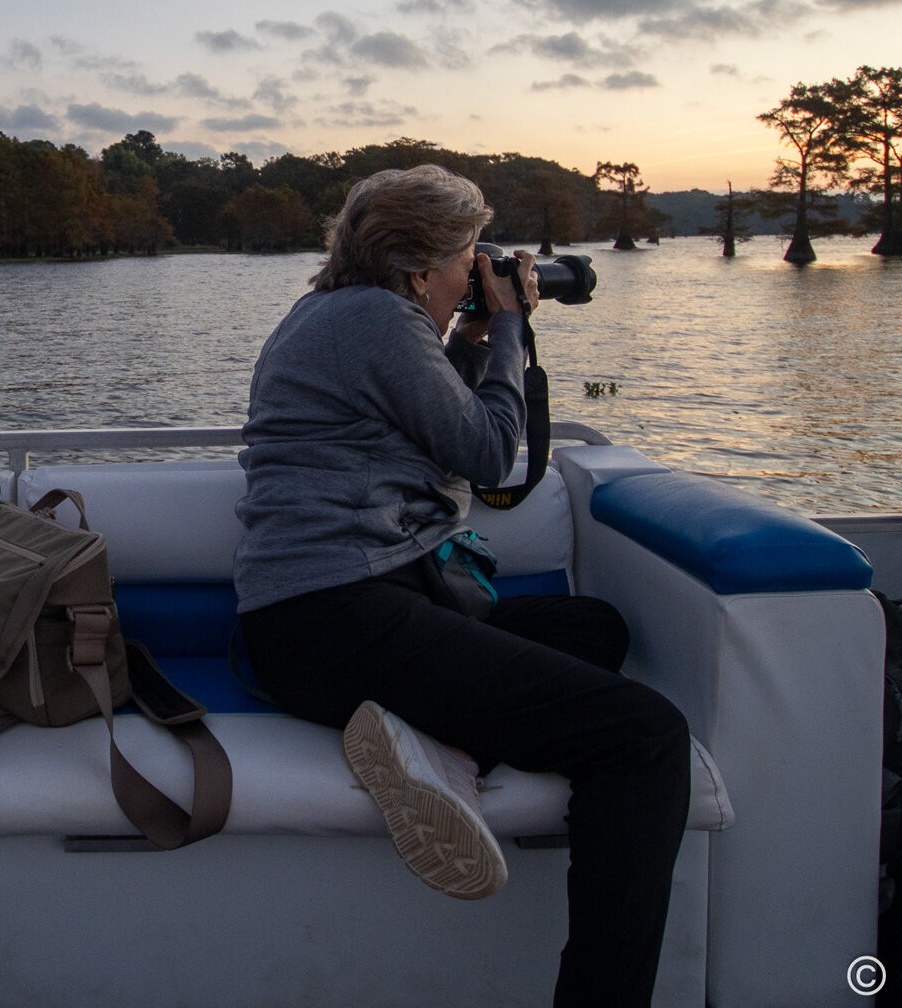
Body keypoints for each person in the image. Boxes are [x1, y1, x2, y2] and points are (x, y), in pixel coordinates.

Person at [233, 164, 691, 1008]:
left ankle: (432, 738)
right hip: (340, 616)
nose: (474, 273)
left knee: (593, 630)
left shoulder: (339, 314)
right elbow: (485, 455)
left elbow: (436, 425)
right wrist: (510, 327)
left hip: (324, 616)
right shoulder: (379, 319)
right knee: (646, 737)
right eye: (467, 256)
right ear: (418, 267)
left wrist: (475, 335)